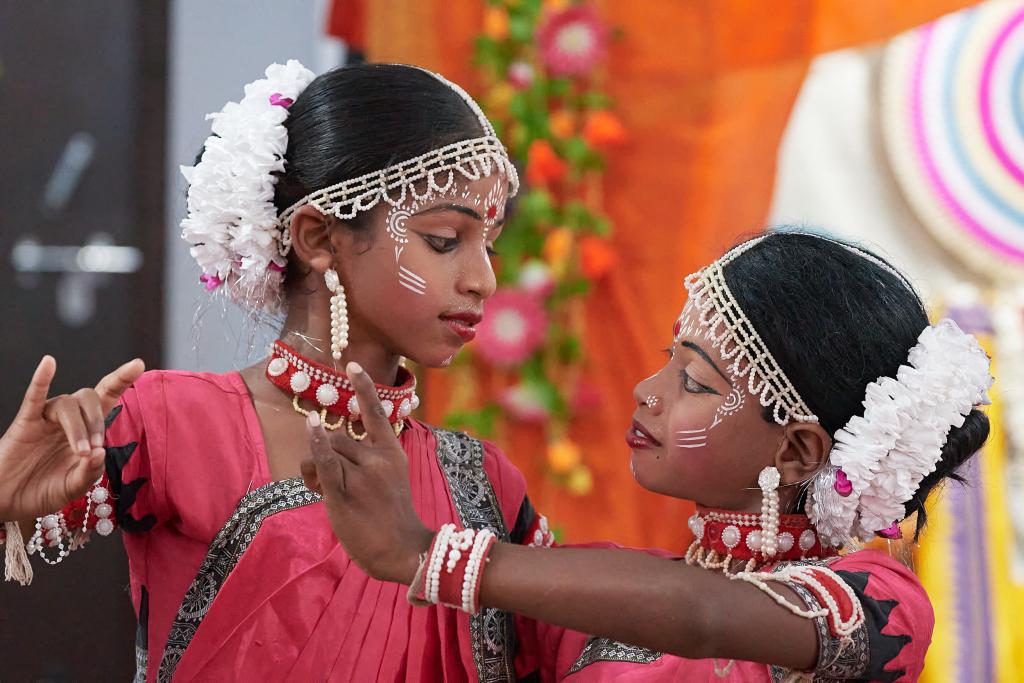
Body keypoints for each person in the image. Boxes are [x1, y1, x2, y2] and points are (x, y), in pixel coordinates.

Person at [0, 61, 555, 682]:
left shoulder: (483, 483)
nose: (484, 279)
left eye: (491, 245)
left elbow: (596, 651)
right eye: (446, 240)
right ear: (318, 237)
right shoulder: (173, 423)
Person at [303, 231, 994, 682]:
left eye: (694, 381)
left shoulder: (881, 602)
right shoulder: (591, 601)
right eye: (670, 361)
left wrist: (430, 554)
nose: (647, 391)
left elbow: (703, 614)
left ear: (795, 449)